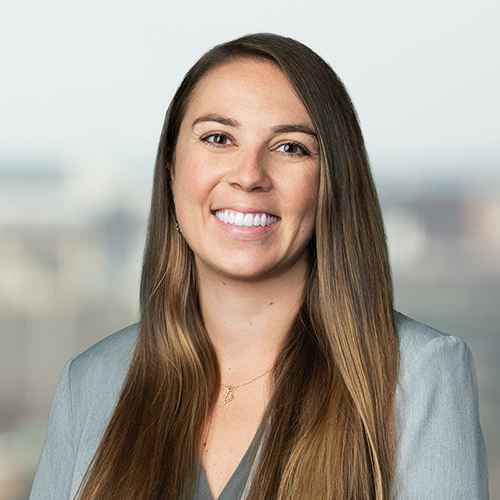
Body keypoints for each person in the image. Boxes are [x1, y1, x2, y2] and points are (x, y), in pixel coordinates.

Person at [29, 33, 488, 500]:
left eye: (290, 147)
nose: (249, 174)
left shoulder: (417, 374)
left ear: (333, 180)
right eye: (218, 138)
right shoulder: (89, 384)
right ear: (171, 168)